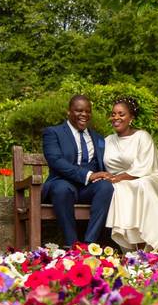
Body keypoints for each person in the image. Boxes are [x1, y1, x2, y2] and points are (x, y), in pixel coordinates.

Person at [102, 96, 158, 255]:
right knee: (120, 188)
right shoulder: (108, 140)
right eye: (113, 114)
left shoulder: (142, 137)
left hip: (151, 178)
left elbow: (143, 167)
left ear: (131, 117)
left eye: (121, 114)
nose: (116, 117)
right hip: (121, 182)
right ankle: (134, 246)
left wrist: (118, 178)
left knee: (141, 184)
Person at [42, 95, 114, 247]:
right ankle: (72, 245)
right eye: (79, 110)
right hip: (63, 183)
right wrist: (89, 175)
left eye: (88, 111)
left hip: (87, 189)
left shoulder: (98, 138)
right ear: (69, 112)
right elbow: (56, 161)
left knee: (106, 187)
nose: (84, 115)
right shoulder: (53, 133)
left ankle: (90, 244)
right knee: (62, 189)